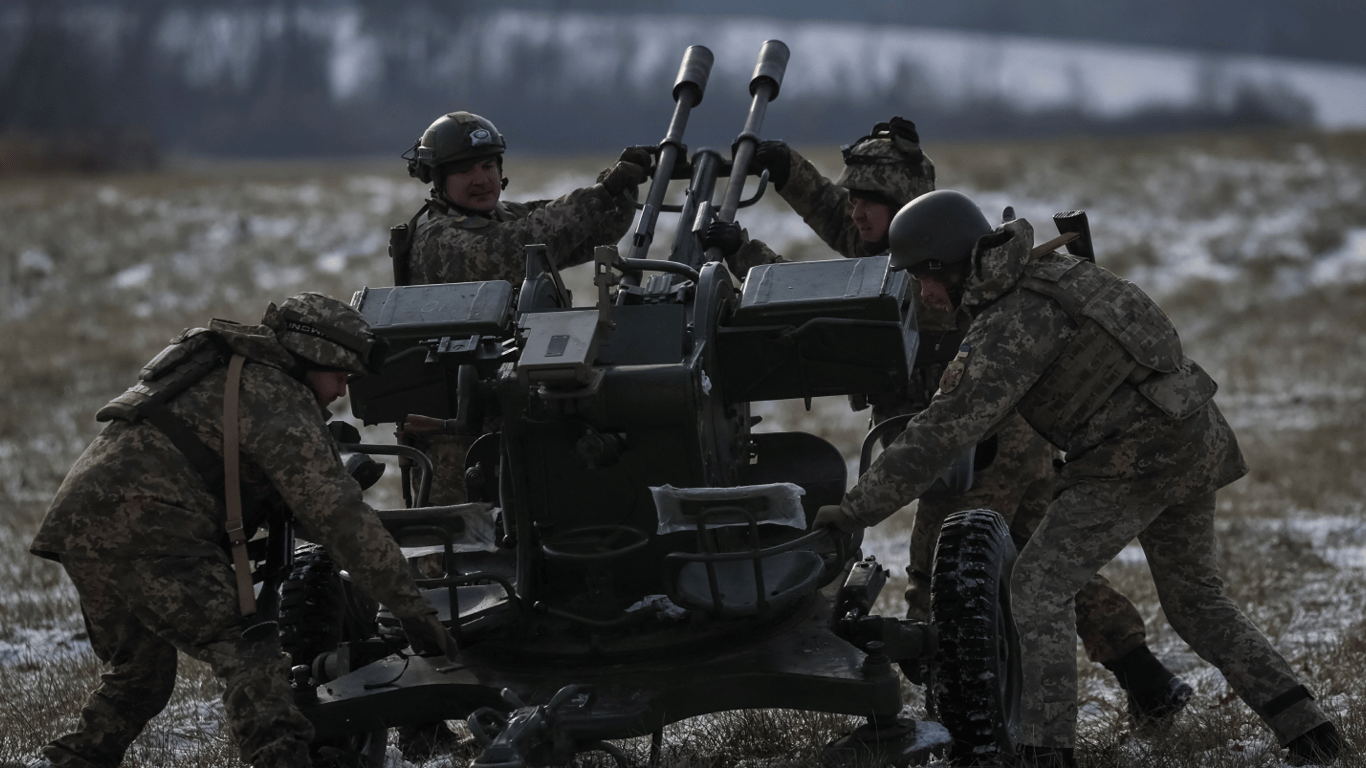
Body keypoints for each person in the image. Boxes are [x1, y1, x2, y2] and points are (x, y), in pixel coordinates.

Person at [812, 190, 1342, 767]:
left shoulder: (1011, 321)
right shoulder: (1051, 273)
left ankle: (1047, 751)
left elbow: (941, 432)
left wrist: (854, 510)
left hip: (1134, 458)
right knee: (1196, 602)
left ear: (949, 264)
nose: (924, 293)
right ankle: (1311, 733)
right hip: (1192, 435)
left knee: (1038, 587)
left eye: (923, 277)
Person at [709, 118, 1192, 723]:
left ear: (906, 210)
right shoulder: (923, 251)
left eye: (869, 201)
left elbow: (820, 307)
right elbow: (847, 224)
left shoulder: (926, 279)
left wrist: (743, 253)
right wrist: (788, 173)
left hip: (977, 445)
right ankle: (1147, 680)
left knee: (941, 578)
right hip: (1008, 436)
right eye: (853, 198)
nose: (854, 212)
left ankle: (960, 716)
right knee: (1038, 558)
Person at [28, 293, 457, 768]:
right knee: (249, 651)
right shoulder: (275, 395)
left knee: (140, 678)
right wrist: (411, 609)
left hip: (80, 525)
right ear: (311, 356)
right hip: (150, 528)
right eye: (340, 374)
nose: (341, 390)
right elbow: (341, 518)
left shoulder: (231, 372)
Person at [389, 110, 650, 507]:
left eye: (488, 166)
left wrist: (620, 190)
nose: (481, 179)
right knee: (467, 538)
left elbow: (588, 232)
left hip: (513, 409)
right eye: (464, 170)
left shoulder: (499, 217)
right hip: (458, 440)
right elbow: (515, 249)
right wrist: (601, 194)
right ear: (438, 179)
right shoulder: (437, 238)